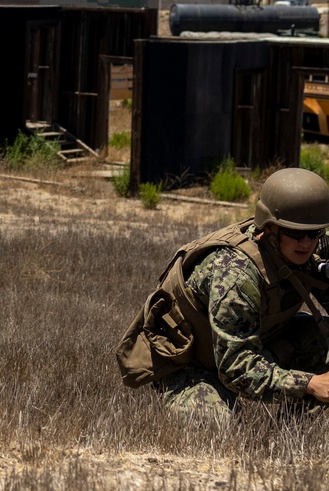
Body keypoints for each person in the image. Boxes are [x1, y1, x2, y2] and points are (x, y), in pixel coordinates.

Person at [117, 167, 329, 423]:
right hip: (196, 366)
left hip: (253, 343)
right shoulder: (235, 275)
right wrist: (309, 383)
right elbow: (235, 368)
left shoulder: (303, 242)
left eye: (314, 233)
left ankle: (297, 427)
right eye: (295, 233)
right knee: (215, 428)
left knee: (315, 335)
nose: (306, 243)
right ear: (270, 228)